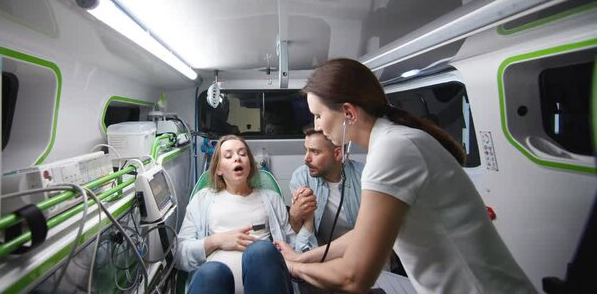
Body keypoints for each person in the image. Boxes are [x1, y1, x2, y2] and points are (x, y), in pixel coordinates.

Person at [275, 58, 535, 293]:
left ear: (348, 113)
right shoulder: (394, 141)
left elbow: (354, 277)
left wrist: (294, 269)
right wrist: (304, 258)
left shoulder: (392, 151)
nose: (317, 125)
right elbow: (363, 234)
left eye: (319, 115)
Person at [176, 135, 295, 294]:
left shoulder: (272, 199)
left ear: (250, 164)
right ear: (218, 169)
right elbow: (179, 255)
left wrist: (305, 222)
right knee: (212, 272)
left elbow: (294, 248)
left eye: (242, 154)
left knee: (260, 251)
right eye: (228, 156)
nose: (237, 158)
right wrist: (215, 241)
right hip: (213, 284)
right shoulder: (201, 200)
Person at [289, 124, 363, 254]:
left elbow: (379, 231)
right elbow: (301, 239)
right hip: (321, 253)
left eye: (315, 152)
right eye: (306, 150)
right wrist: (295, 216)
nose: (306, 158)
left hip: (361, 252)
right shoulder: (301, 178)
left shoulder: (363, 177)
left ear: (338, 153)